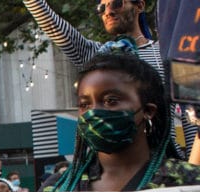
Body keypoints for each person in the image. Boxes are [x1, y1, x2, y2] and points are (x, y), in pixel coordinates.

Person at [0, 51, 200, 192]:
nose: (94, 111)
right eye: (84, 104)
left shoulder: (188, 184)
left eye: (111, 101)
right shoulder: (58, 189)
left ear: (148, 111)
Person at [24, 0, 197, 157]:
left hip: (166, 160)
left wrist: (192, 164)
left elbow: (189, 110)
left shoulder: (167, 52)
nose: (108, 12)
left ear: (139, 6)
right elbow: (52, 24)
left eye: (116, 4)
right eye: (102, 7)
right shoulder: (97, 55)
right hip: (114, 162)